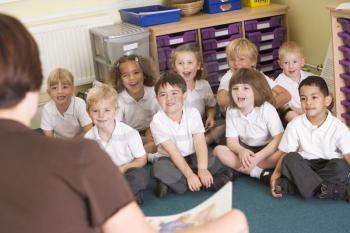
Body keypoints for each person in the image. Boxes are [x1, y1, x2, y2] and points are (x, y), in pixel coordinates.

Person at [0, 13, 250, 233]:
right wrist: (234, 222)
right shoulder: (82, 157)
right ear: (36, 85)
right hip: (152, 159)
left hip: (164, 149)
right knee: (235, 220)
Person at [150, 72, 231, 198]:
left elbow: (199, 143)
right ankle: (202, 182)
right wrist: (189, 175)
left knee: (215, 164)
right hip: (170, 158)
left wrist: (202, 169)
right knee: (160, 169)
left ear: (184, 95)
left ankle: (178, 183)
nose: (169, 98)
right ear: (157, 99)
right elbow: (173, 152)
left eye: (174, 93)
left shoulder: (193, 113)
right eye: (163, 94)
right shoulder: (157, 121)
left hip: (192, 155)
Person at [270, 76, 350, 202]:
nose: (308, 102)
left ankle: (290, 186)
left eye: (314, 97)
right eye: (303, 98)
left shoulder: (338, 127)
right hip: (304, 164)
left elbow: (348, 155)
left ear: (327, 100)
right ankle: (336, 191)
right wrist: (274, 176)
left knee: (342, 166)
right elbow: (285, 153)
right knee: (289, 159)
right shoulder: (295, 124)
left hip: (328, 165)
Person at [213, 68, 284, 184]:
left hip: (267, 150)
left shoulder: (267, 109)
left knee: (284, 154)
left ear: (257, 91)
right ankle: (259, 173)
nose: (239, 92)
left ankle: (242, 167)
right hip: (245, 148)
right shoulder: (231, 110)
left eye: (246, 88)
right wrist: (241, 151)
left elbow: (279, 139)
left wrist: (259, 157)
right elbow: (232, 142)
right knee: (218, 150)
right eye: (235, 88)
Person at [85, 84, 149, 205]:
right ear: (88, 113)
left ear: (116, 110)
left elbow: (142, 158)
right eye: (95, 110)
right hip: (104, 176)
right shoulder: (88, 139)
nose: (101, 115)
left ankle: (112, 198)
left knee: (141, 176)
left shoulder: (130, 133)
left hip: (126, 172)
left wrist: (123, 168)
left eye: (107, 110)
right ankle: (124, 198)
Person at [216, 38, 291, 112]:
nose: (236, 63)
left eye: (241, 59)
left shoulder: (258, 75)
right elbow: (221, 99)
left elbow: (286, 95)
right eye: (232, 59)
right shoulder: (229, 76)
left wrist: (262, 109)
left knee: (273, 93)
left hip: (259, 113)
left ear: (253, 61)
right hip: (240, 116)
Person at [170, 43, 225, 145]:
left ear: (198, 65)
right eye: (180, 63)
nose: (185, 67)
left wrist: (210, 117)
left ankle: (198, 144)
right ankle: (195, 145)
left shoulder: (204, 85)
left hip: (200, 126)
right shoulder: (171, 89)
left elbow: (210, 106)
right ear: (174, 67)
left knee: (222, 125)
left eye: (190, 62)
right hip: (180, 129)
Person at [107, 54, 159, 154]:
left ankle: (144, 153)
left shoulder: (154, 93)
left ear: (144, 74)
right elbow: (117, 127)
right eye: (125, 75)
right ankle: (144, 153)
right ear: (120, 80)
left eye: (136, 72)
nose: (132, 78)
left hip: (152, 131)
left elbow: (163, 116)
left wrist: (151, 130)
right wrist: (141, 139)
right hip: (130, 134)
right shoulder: (119, 100)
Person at [40, 68, 92, 138]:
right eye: (54, 88)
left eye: (65, 87)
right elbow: (49, 138)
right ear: (49, 92)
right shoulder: (47, 109)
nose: (60, 91)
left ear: (72, 89)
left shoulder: (80, 104)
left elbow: (89, 131)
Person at [275, 41, 313, 122]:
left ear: (302, 62)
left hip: (309, 109)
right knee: (292, 116)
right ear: (280, 64)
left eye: (295, 62)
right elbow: (282, 105)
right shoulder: (279, 82)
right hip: (291, 111)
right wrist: (298, 110)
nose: (291, 66)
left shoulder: (309, 77)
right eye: (286, 63)